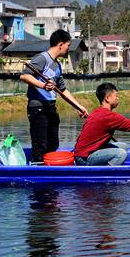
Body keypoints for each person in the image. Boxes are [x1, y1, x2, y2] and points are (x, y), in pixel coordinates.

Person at [20, 29, 88, 164]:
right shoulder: (42, 58)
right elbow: (25, 76)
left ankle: (50, 172)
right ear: (61, 44)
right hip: (38, 107)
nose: (69, 49)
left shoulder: (57, 65)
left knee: (53, 144)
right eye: (68, 46)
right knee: (40, 145)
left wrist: (79, 107)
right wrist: (43, 85)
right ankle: (38, 173)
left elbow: (62, 90)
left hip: (51, 107)